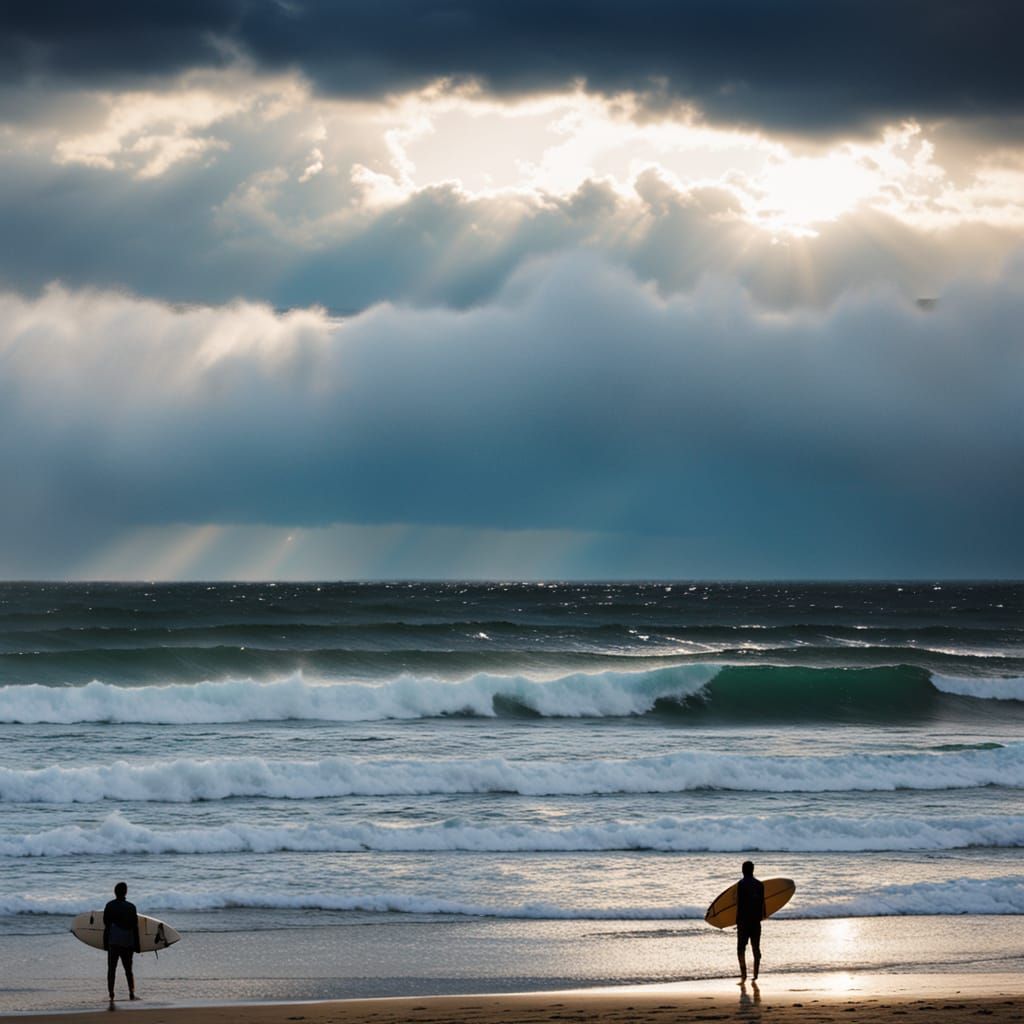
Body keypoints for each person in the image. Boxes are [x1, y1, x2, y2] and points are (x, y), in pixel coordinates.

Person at [103, 882, 141, 1007]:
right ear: (126, 892)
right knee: (128, 969)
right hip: (127, 942)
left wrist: (105, 943)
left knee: (111, 969)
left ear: (115, 892)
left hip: (113, 942)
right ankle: (131, 992)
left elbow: (106, 925)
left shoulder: (109, 905)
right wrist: (137, 945)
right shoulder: (131, 907)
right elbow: (135, 927)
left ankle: (111, 994)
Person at [736, 860, 765, 981]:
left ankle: (743, 974)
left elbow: (739, 904)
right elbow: (763, 904)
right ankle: (755, 974)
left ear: (743, 870)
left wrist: (737, 921)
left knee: (741, 948)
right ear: (753, 870)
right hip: (756, 921)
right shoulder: (760, 885)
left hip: (744, 922)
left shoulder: (741, 884)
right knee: (756, 948)